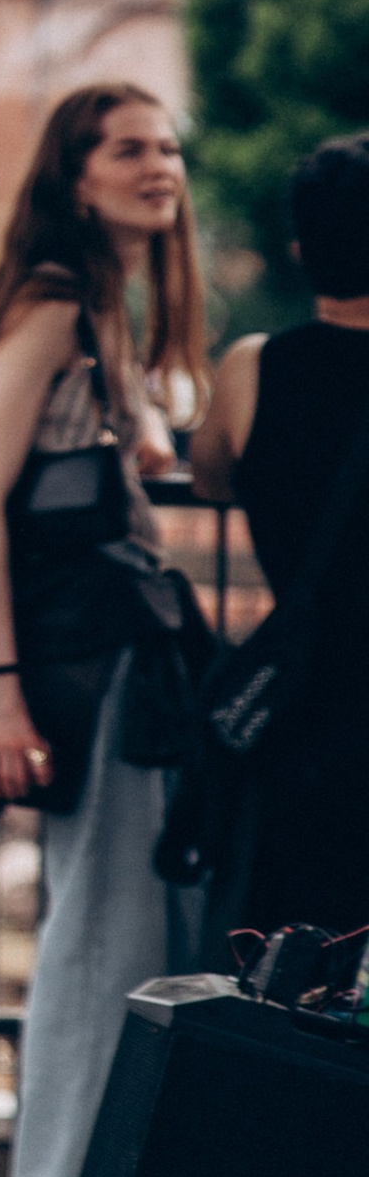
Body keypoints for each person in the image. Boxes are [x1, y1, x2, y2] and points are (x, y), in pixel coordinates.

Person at [0, 84, 210, 1177]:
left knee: (116, 933)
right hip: (89, 669)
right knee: (103, 942)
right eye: (129, 149)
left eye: (167, 147)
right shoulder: (51, 306)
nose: (161, 167)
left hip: (106, 664)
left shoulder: (97, 312)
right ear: (75, 177)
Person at [188, 131, 369, 941]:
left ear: (300, 250)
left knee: (293, 970)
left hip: (301, 711)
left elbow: (209, 476)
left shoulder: (251, 369)